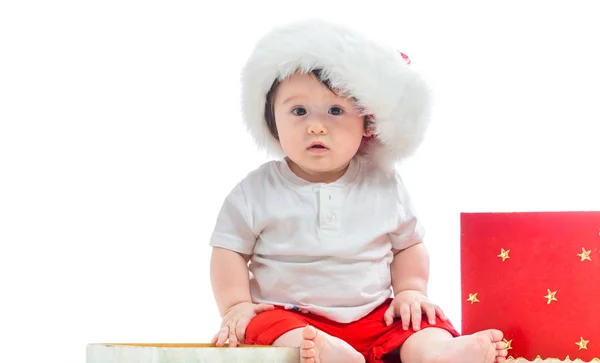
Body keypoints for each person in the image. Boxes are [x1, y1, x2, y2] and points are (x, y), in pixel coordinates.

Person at [208, 19, 508, 363]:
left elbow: (408, 243)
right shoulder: (255, 191)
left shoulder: (383, 183)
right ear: (272, 120)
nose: (315, 125)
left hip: (374, 316)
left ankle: (437, 353)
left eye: (335, 110)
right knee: (264, 328)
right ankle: (329, 352)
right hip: (292, 315)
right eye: (298, 111)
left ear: (367, 123)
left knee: (418, 320)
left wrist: (410, 290)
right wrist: (237, 304)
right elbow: (229, 251)